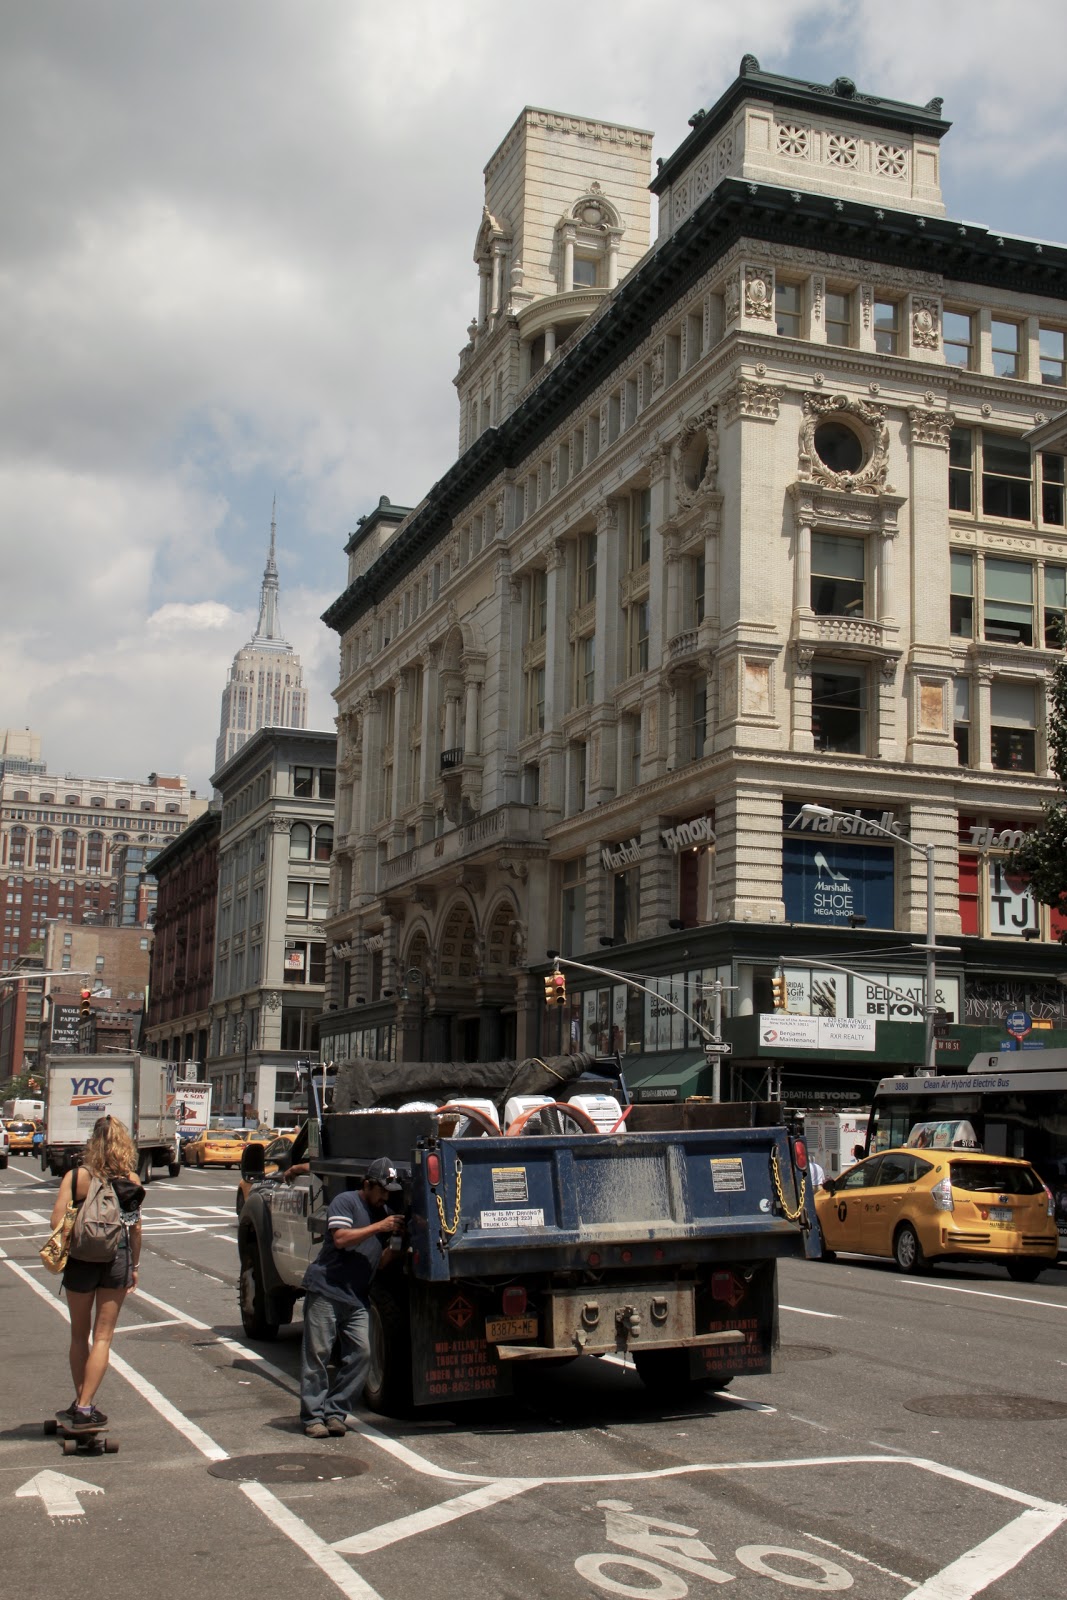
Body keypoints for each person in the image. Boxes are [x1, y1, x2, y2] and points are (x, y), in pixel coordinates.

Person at [287, 1155, 403, 1438]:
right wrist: (380, 1227)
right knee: (318, 1354)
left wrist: (397, 1246)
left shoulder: (383, 1213)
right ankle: (313, 1417)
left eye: (390, 1192)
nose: (385, 1196)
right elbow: (341, 1238)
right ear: (368, 1184)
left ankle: (336, 1411)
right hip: (327, 1289)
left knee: (362, 1354)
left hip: (356, 1297)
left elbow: (381, 1262)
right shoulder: (346, 1201)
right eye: (382, 1190)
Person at [50, 1115, 144, 1430]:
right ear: (122, 1145)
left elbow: (56, 1223)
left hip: (80, 1259)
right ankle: (85, 1405)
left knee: (79, 1335)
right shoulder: (130, 1180)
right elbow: (135, 1229)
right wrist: (135, 1266)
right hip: (116, 1259)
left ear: (94, 1144)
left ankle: (82, 1403)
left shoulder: (76, 1178)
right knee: (102, 1336)